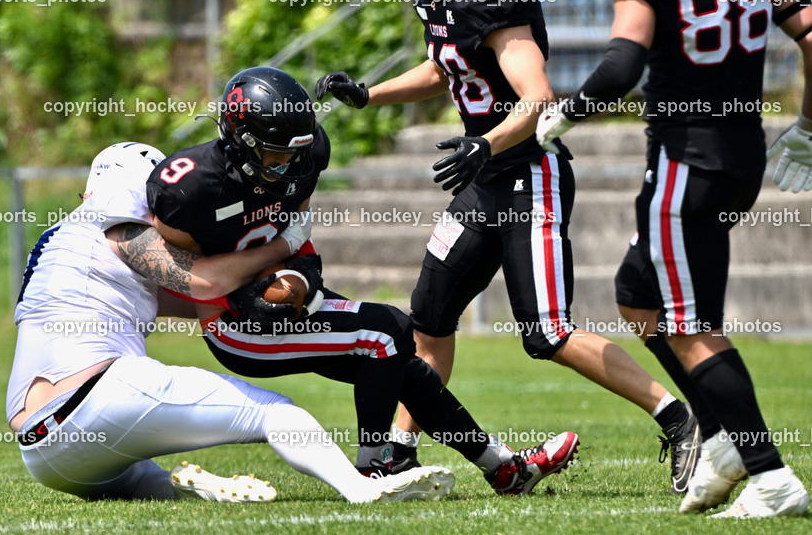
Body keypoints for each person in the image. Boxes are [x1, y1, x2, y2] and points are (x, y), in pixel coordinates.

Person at [317, 0, 700, 494]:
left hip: (528, 176)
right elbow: (446, 68)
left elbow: (537, 97)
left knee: (547, 334)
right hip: (484, 180)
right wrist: (370, 94)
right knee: (429, 321)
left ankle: (680, 417)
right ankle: (399, 453)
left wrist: (484, 143)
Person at [146, 65, 579, 496]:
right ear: (241, 141)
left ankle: (503, 469)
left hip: (284, 292)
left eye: (295, 152)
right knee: (388, 331)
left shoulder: (305, 154)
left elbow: (295, 230)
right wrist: (241, 295)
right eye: (276, 154)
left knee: (400, 363)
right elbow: (188, 278)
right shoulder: (187, 189)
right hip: (235, 324)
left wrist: (303, 271)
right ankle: (374, 467)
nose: (290, 164)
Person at [535, 0, 811, 519]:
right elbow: (809, 30)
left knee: (692, 327)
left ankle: (770, 476)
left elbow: (623, 63)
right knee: (637, 294)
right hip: (742, 154)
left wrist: (567, 111)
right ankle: (720, 440)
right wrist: (807, 125)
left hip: (686, 163)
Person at [5, 140, 458, 504]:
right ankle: (361, 487)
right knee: (274, 412)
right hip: (98, 399)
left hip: (42, 452)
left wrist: (274, 297)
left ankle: (206, 489)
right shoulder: (120, 228)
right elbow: (205, 282)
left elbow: (191, 298)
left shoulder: (60, 245)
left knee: (141, 481)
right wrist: (285, 245)